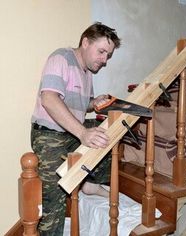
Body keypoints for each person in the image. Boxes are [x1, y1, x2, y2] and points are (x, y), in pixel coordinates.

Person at [31, 22, 121, 235]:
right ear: (85, 42)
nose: (104, 60)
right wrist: (82, 133)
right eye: (101, 52)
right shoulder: (60, 58)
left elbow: (80, 105)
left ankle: (87, 182)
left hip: (71, 132)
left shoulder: (88, 72)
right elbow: (50, 99)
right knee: (54, 200)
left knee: (109, 127)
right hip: (48, 135)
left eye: (108, 55)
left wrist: (93, 102)